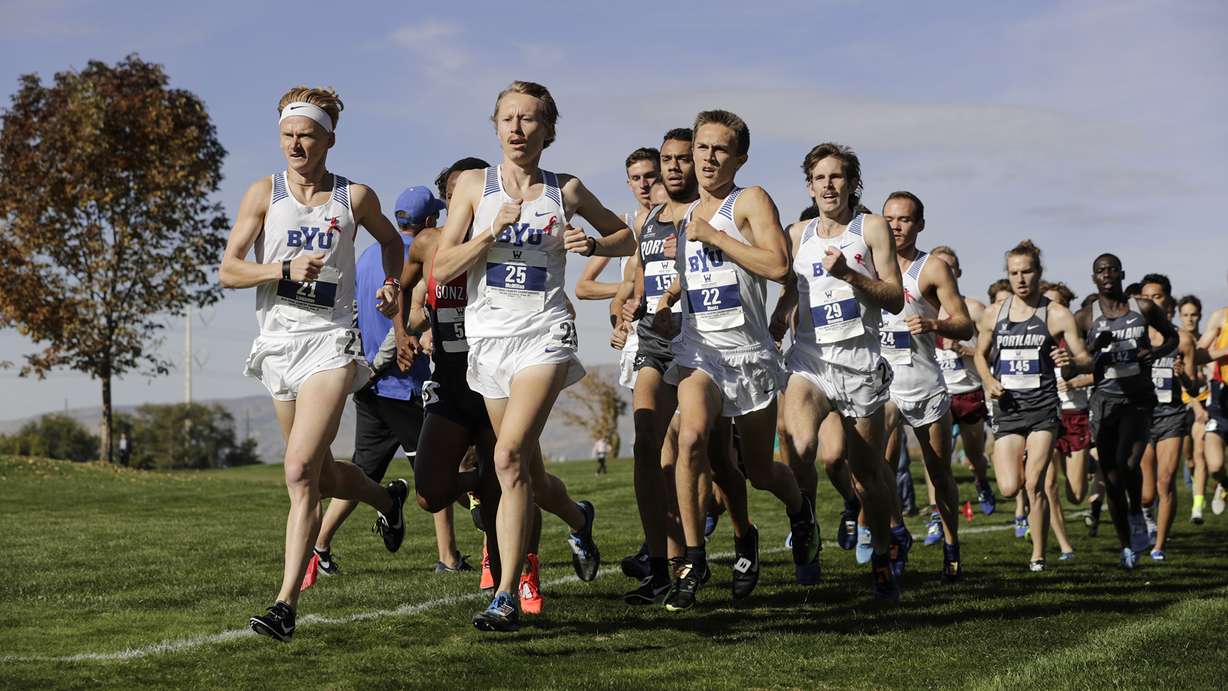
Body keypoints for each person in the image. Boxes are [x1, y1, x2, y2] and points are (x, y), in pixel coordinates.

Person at [432, 81, 635, 631]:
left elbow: (626, 237)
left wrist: (593, 245)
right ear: (495, 126)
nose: (518, 129)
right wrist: (488, 234)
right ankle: (577, 514)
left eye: (530, 120)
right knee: (528, 474)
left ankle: (503, 594)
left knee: (506, 457)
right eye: (508, 119)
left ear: (549, 129)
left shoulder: (565, 191)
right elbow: (442, 268)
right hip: (489, 339)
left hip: (544, 333)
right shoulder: (474, 187)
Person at [220, 86, 409, 641]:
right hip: (279, 343)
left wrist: (393, 286)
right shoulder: (263, 193)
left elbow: (392, 245)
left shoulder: (355, 197)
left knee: (300, 471)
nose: (296, 144)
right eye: (287, 135)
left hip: (331, 342)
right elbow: (229, 270)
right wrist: (281, 268)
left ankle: (284, 604)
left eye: (306, 134)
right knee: (321, 471)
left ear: (329, 138)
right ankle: (385, 496)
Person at [651, 110, 819, 611]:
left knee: (758, 471)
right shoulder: (684, 214)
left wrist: (718, 236)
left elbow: (779, 266)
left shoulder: (749, 200)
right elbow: (691, 273)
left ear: (739, 157)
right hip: (700, 349)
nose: (707, 158)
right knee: (693, 438)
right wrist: (665, 305)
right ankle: (694, 561)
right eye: (702, 147)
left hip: (748, 354)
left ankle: (800, 511)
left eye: (720, 149)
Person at [774, 142, 907, 600]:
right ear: (809, 186)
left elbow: (894, 298)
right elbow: (793, 289)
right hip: (811, 359)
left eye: (837, 177)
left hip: (859, 364)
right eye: (819, 178)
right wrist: (778, 318)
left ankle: (885, 556)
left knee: (869, 476)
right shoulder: (797, 234)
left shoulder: (870, 229)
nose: (828, 185)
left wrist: (850, 275)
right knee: (800, 446)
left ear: (852, 184)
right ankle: (807, 535)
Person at [311, 185, 465, 577]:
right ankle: (448, 556)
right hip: (405, 382)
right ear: (431, 221)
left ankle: (320, 545)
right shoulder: (422, 255)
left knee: (365, 470)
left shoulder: (366, 257)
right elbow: (415, 314)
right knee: (436, 470)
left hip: (369, 382)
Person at [611, 128, 701, 604]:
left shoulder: (709, 215)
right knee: (646, 443)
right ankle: (661, 567)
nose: (670, 168)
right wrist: (631, 310)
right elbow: (643, 281)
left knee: (704, 457)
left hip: (702, 343)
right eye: (666, 159)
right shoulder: (648, 222)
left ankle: (704, 551)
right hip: (654, 340)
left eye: (679, 159)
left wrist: (673, 297)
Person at [973, 241, 1092, 572]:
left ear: (1039, 273)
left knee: (1034, 482)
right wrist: (988, 380)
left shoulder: (1055, 314)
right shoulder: (994, 313)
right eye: (1014, 273)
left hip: (1043, 407)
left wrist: (1070, 360)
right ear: (1007, 275)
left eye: (1027, 271)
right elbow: (980, 354)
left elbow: (1084, 357)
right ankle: (1036, 540)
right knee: (1011, 487)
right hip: (1008, 407)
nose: (1021, 279)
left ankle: (1038, 553)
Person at [877, 192, 974, 581]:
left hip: (922, 382)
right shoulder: (867, 263)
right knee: (875, 467)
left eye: (904, 219)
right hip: (881, 383)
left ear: (919, 225)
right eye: (889, 219)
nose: (896, 226)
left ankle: (951, 545)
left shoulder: (931, 268)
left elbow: (965, 324)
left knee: (938, 473)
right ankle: (897, 532)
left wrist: (935, 324)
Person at [1075, 253, 1178, 569]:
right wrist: (1095, 351)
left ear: (1121, 274)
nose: (1106, 274)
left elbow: (1173, 337)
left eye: (1111, 269)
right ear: (1094, 278)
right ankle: (1126, 546)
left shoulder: (1142, 308)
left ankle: (1136, 513)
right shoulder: (1085, 317)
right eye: (1100, 270)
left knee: (1128, 461)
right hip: (1104, 401)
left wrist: (1154, 352)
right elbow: (1072, 365)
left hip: (1138, 399)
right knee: (1112, 475)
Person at [578, 147, 660, 392]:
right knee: (651, 425)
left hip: (678, 331)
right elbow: (583, 287)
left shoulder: (685, 218)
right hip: (638, 338)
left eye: (650, 175)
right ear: (629, 184)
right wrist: (633, 290)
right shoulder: (622, 226)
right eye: (636, 179)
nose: (644, 184)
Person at [930, 246, 996, 515]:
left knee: (974, 456)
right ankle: (937, 512)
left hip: (968, 391)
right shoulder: (924, 308)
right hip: (937, 392)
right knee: (934, 457)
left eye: (950, 266)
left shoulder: (975, 309)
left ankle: (981, 480)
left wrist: (965, 350)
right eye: (940, 265)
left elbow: (992, 352)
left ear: (957, 272)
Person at [1138, 274, 1197, 559]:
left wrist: (1183, 375)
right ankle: (1146, 516)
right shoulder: (1135, 337)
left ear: (1168, 300)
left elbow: (1196, 387)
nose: (1150, 302)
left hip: (1171, 415)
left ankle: (1159, 545)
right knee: (1146, 493)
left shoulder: (1182, 339)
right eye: (1145, 297)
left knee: (1165, 481)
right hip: (1142, 416)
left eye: (1157, 296)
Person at [1039, 281, 1091, 561]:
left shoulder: (1077, 336)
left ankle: (1094, 469)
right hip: (1047, 414)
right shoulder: (1032, 335)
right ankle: (1064, 546)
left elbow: (1098, 371)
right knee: (1047, 485)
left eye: (1056, 303)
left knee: (1076, 494)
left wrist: (1075, 380)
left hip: (1076, 415)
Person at [1195, 289, 1228, 517]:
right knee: (1215, 466)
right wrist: (1225, 351)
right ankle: (1224, 484)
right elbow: (1197, 354)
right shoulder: (1220, 317)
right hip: (1221, 397)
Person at [1176, 294, 1210, 523]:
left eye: (1194, 315)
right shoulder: (1177, 342)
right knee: (1188, 457)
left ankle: (1197, 507)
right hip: (1182, 403)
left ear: (1200, 315)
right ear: (1180, 316)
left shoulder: (1206, 340)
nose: (1190, 319)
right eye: (1186, 315)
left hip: (1204, 402)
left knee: (1200, 454)